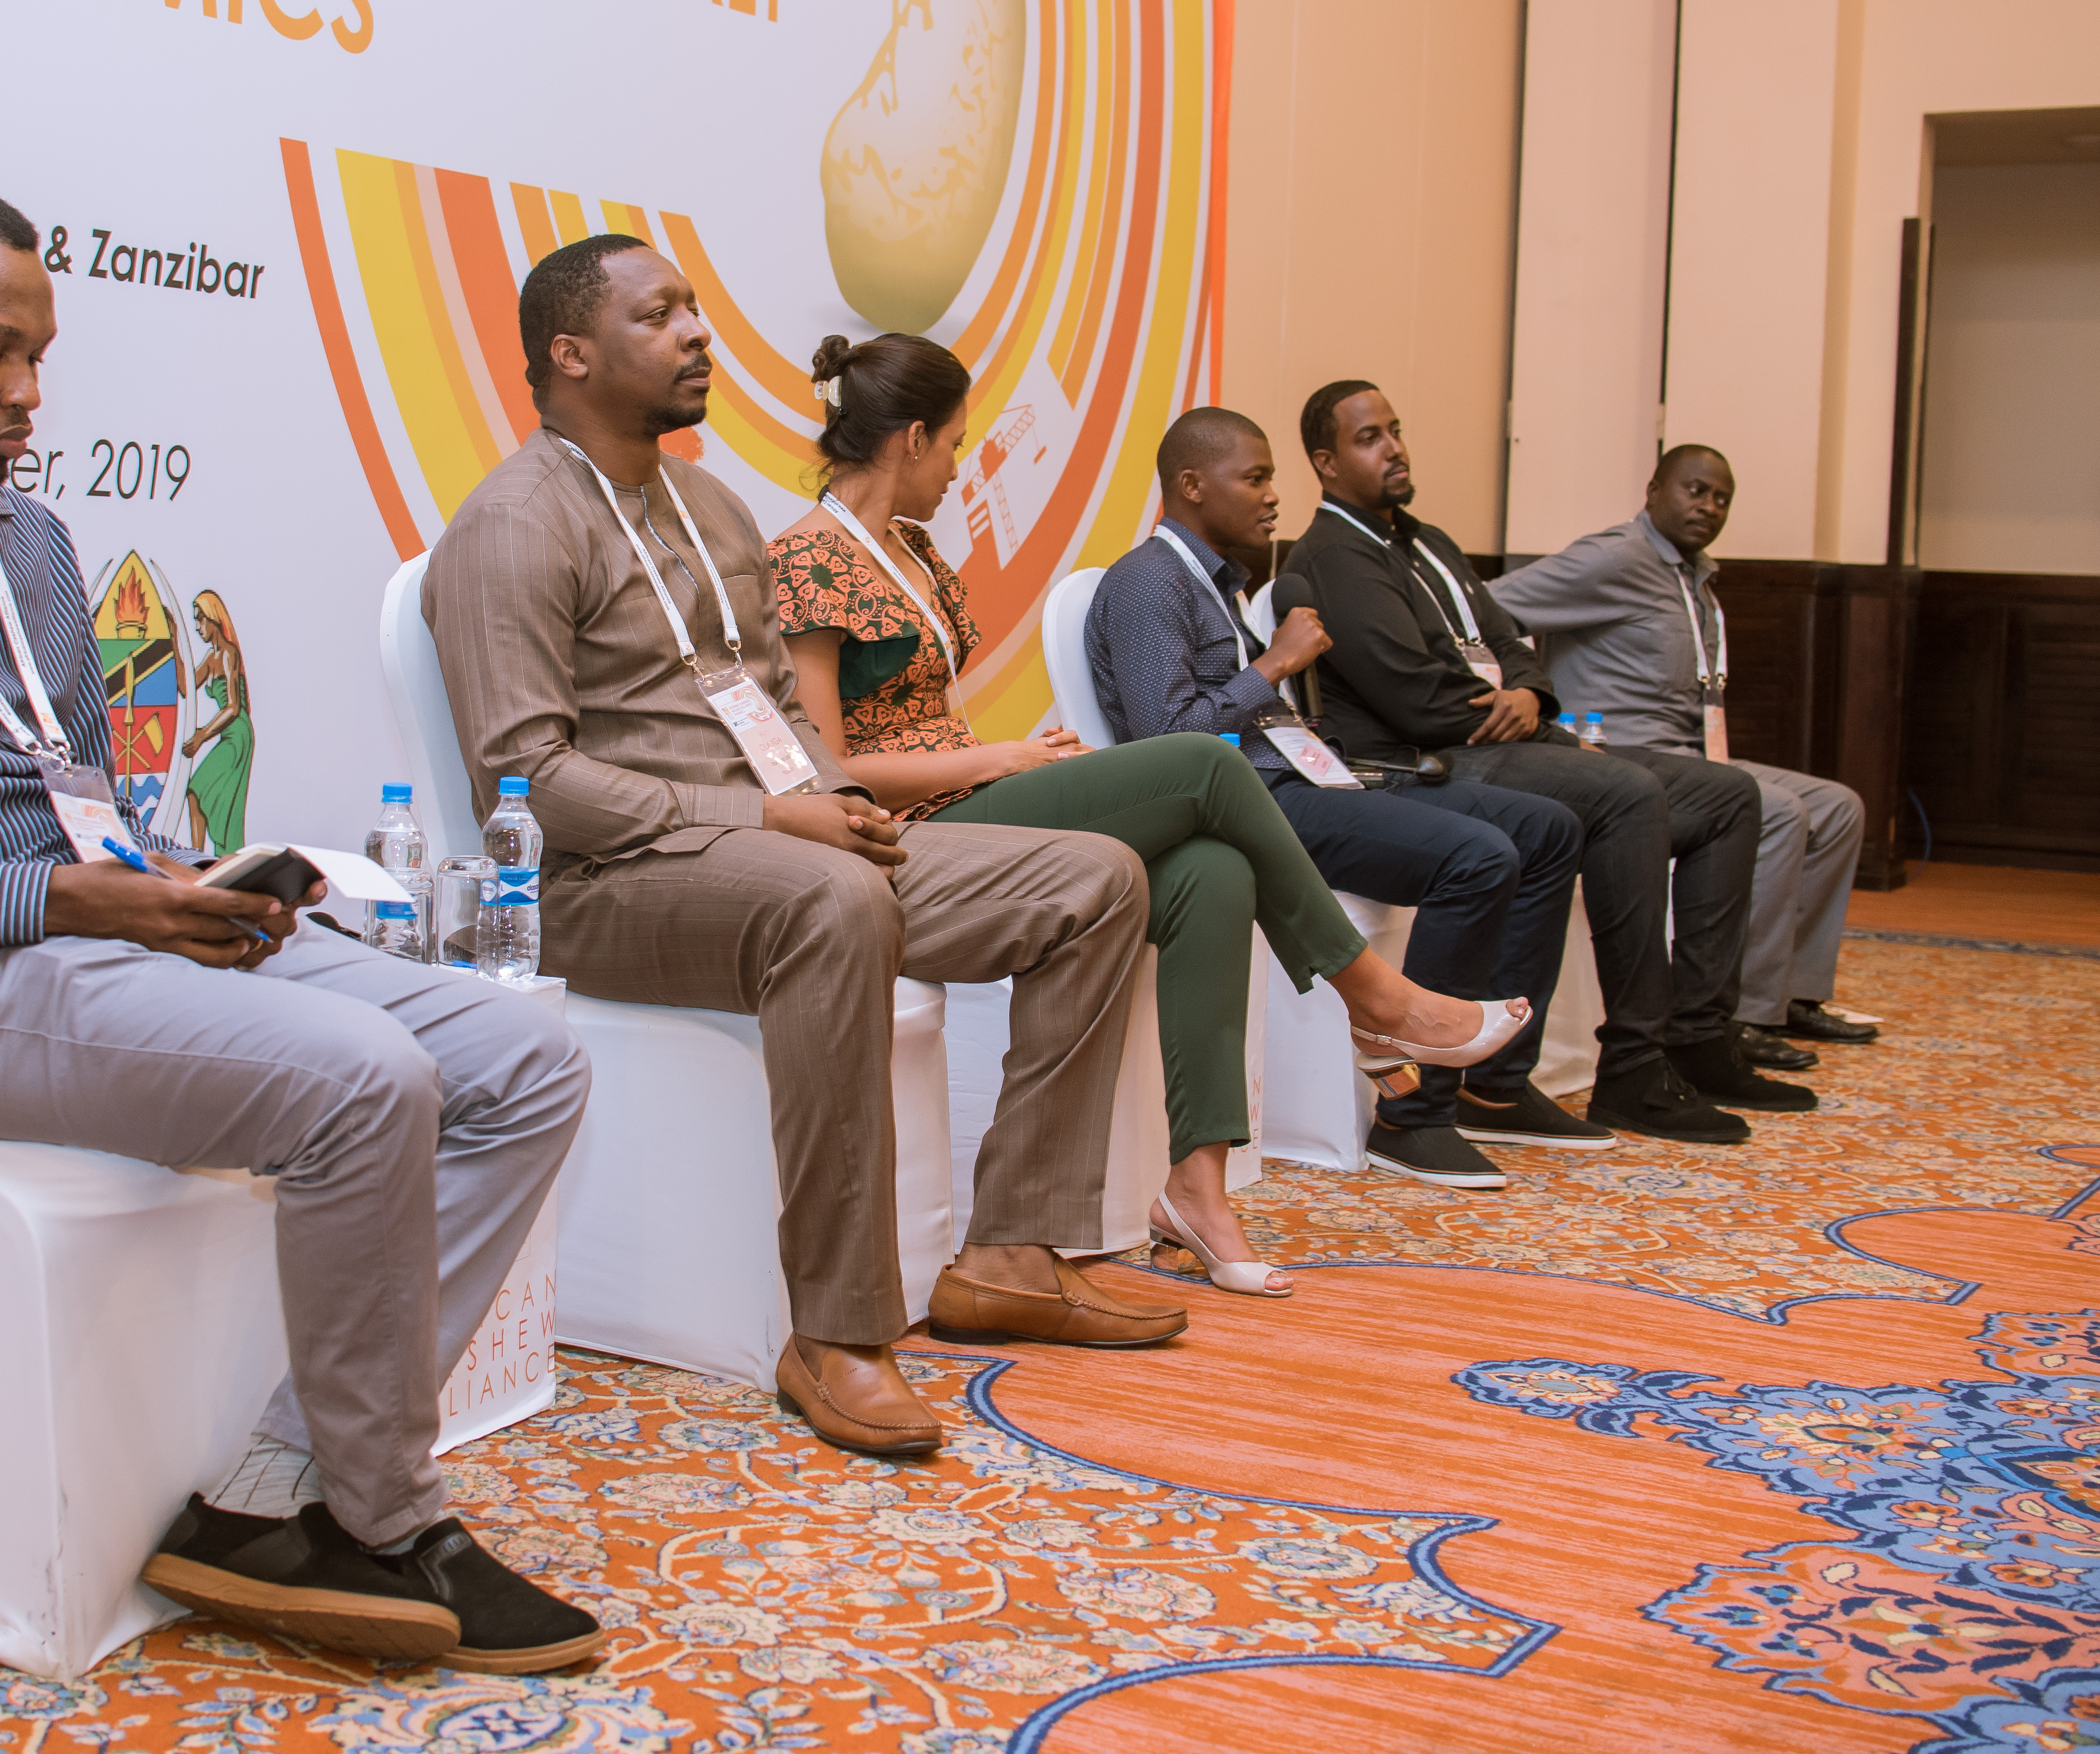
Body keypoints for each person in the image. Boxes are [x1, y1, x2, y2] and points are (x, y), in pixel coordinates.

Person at [0, 175, 600, 1673]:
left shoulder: (26, 541)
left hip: (90, 939)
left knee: (525, 1056)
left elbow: (81, 801)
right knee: (363, 1079)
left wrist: (182, 888)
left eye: (39, 354)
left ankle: (279, 1485)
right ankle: (384, 1513)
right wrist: (59, 898)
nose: (28, 392)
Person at [427, 240, 1193, 1458]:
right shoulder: (512, 526)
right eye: (658, 315)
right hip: (605, 882)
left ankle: (1009, 1251)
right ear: (569, 354)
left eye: (694, 309)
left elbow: (777, 707)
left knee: (1091, 879)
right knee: (832, 903)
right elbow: (528, 785)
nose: (697, 333)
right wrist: (762, 819)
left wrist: (834, 795)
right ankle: (835, 1331)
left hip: (785, 849)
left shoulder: (712, 509)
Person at [766, 332, 1528, 1295]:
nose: (960, 468)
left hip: (975, 795)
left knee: (1213, 871)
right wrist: (999, 755)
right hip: (914, 834)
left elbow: (922, 719)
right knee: (1202, 765)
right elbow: (829, 770)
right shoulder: (807, 559)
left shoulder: (909, 549)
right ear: (910, 439)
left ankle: (1195, 1189)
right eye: (954, 444)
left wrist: (1003, 756)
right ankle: (1374, 1001)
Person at [1273, 380, 1809, 1143]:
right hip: (1433, 759)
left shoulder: (1428, 542)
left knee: (1726, 797)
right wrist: (1529, 721)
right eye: (1369, 438)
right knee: (1625, 793)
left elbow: (1511, 642)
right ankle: (1632, 1069)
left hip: (1505, 738)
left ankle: (1698, 1037)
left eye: (1395, 429)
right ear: (1325, 464)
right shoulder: (1334, 556)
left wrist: (1529, 694)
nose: (1393, 447)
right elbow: (1417, 699)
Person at [1088, 407, 1600, 1191]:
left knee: (1547, 828)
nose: (1272, 496)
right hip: (1248, 800)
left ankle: (1494, 1086)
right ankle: (1414, 1115)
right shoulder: (1147, 582)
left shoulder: (1218, 581)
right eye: (1254, 479)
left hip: (1301, 777)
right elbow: (1169, 740)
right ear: (1190, 485)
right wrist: (1274, 665)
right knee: (1478, 855)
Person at [1490, 445, 1878, 1067]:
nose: (1709, 507)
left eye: (1721, 498)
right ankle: (1742, 1013)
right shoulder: (1614, 557)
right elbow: (1485, 607)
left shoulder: (1693, 577)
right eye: (1694, 490)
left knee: (1838, 807)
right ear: (1652, 491)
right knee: (1778, 811)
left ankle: (1791, 995)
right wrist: (1528, 688)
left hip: (1694, 755)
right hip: (1619, 760)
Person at [180, 590, 255, 854]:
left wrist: (201, 736)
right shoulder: (211, 657)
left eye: (201, 620)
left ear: (213, 619)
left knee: (199, 791)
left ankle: (203, 862)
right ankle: (199, 862)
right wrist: (174, 639)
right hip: (227, 733)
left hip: (238, 734)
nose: (198, 627)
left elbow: (233, 708)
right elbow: (186, 687)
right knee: (196, 794)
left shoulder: (227, 653)